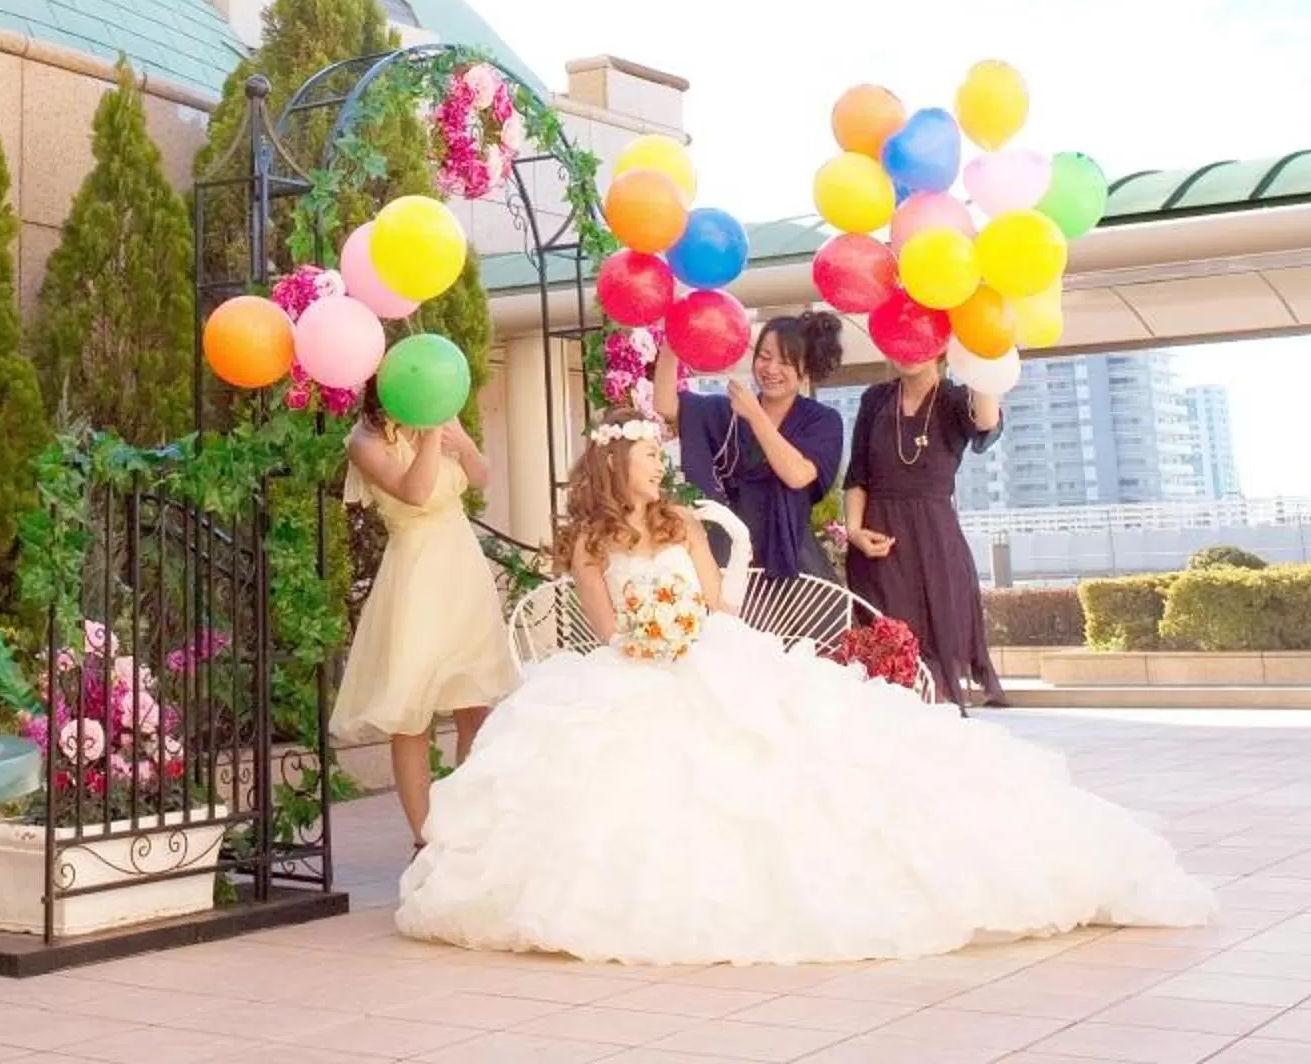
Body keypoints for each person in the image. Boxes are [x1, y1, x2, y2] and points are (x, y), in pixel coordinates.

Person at [396, 411, 1213, 966]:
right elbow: (604, 624)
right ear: (618, 463)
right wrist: (646, 634)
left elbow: (719, 602)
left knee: (783, 747)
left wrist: (683, 622)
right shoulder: (587, 540)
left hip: (706, 649)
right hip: (631, 665)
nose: (660, 465)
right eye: (649, 455)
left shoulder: (683, 524)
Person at [332, 396, 519, 850]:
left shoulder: (441, 416)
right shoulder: (366, 440)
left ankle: (467, 821)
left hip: (462, 570)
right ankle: (425, 838)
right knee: (411, 713)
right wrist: (432, 436)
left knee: (476, 704)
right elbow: (415, 492)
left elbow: (480, 476)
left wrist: (465, 445)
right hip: (415, 576)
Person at [844, 351, 1007, 707]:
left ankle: (936, 745)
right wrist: (853, 531)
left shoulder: (956, 399)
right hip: (879, 544)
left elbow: (986, 422)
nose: (909, 351)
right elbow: (857, 473)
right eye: (901, 342)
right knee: (884, 655)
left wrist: (981, 350)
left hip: (936, 542)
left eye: (919, 341)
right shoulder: (876, 399)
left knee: (936, 652)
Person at [650, 312, 845, 584]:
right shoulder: (727, 411)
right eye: (764, 357)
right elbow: (665, 405)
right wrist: (672, 343)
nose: (771, 369)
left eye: (786, 362)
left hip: (793, 557)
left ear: (806, 370)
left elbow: (798, 475)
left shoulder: (822, 420)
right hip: (728, 554)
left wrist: (755, 415)